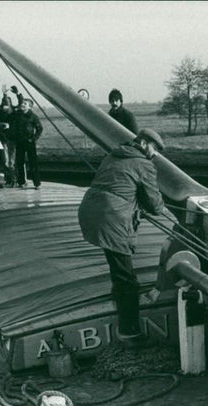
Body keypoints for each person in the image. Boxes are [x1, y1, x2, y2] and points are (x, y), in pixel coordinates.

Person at [78, 128, 175, 347]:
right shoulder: (144, 165)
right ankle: (129, 331)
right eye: (154, 148)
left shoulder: (114, 154)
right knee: (127, 278)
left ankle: (117, 295)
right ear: (142, 143)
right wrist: (159, 205)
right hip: (112, 218)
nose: (156, 154)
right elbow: (155, 205)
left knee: (116, 264)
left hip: (91, 211)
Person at [13, 98, 43, 189]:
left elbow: (40, 128)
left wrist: (33, 139)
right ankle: (21, 181)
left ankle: (37, 183)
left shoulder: (33, 116)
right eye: (22, 103)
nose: (22, 105)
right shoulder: (18, 115)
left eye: (25, 104)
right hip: (20, 142)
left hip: (29, 143)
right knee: (19, 162)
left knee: (33, 163)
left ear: (29, 107)